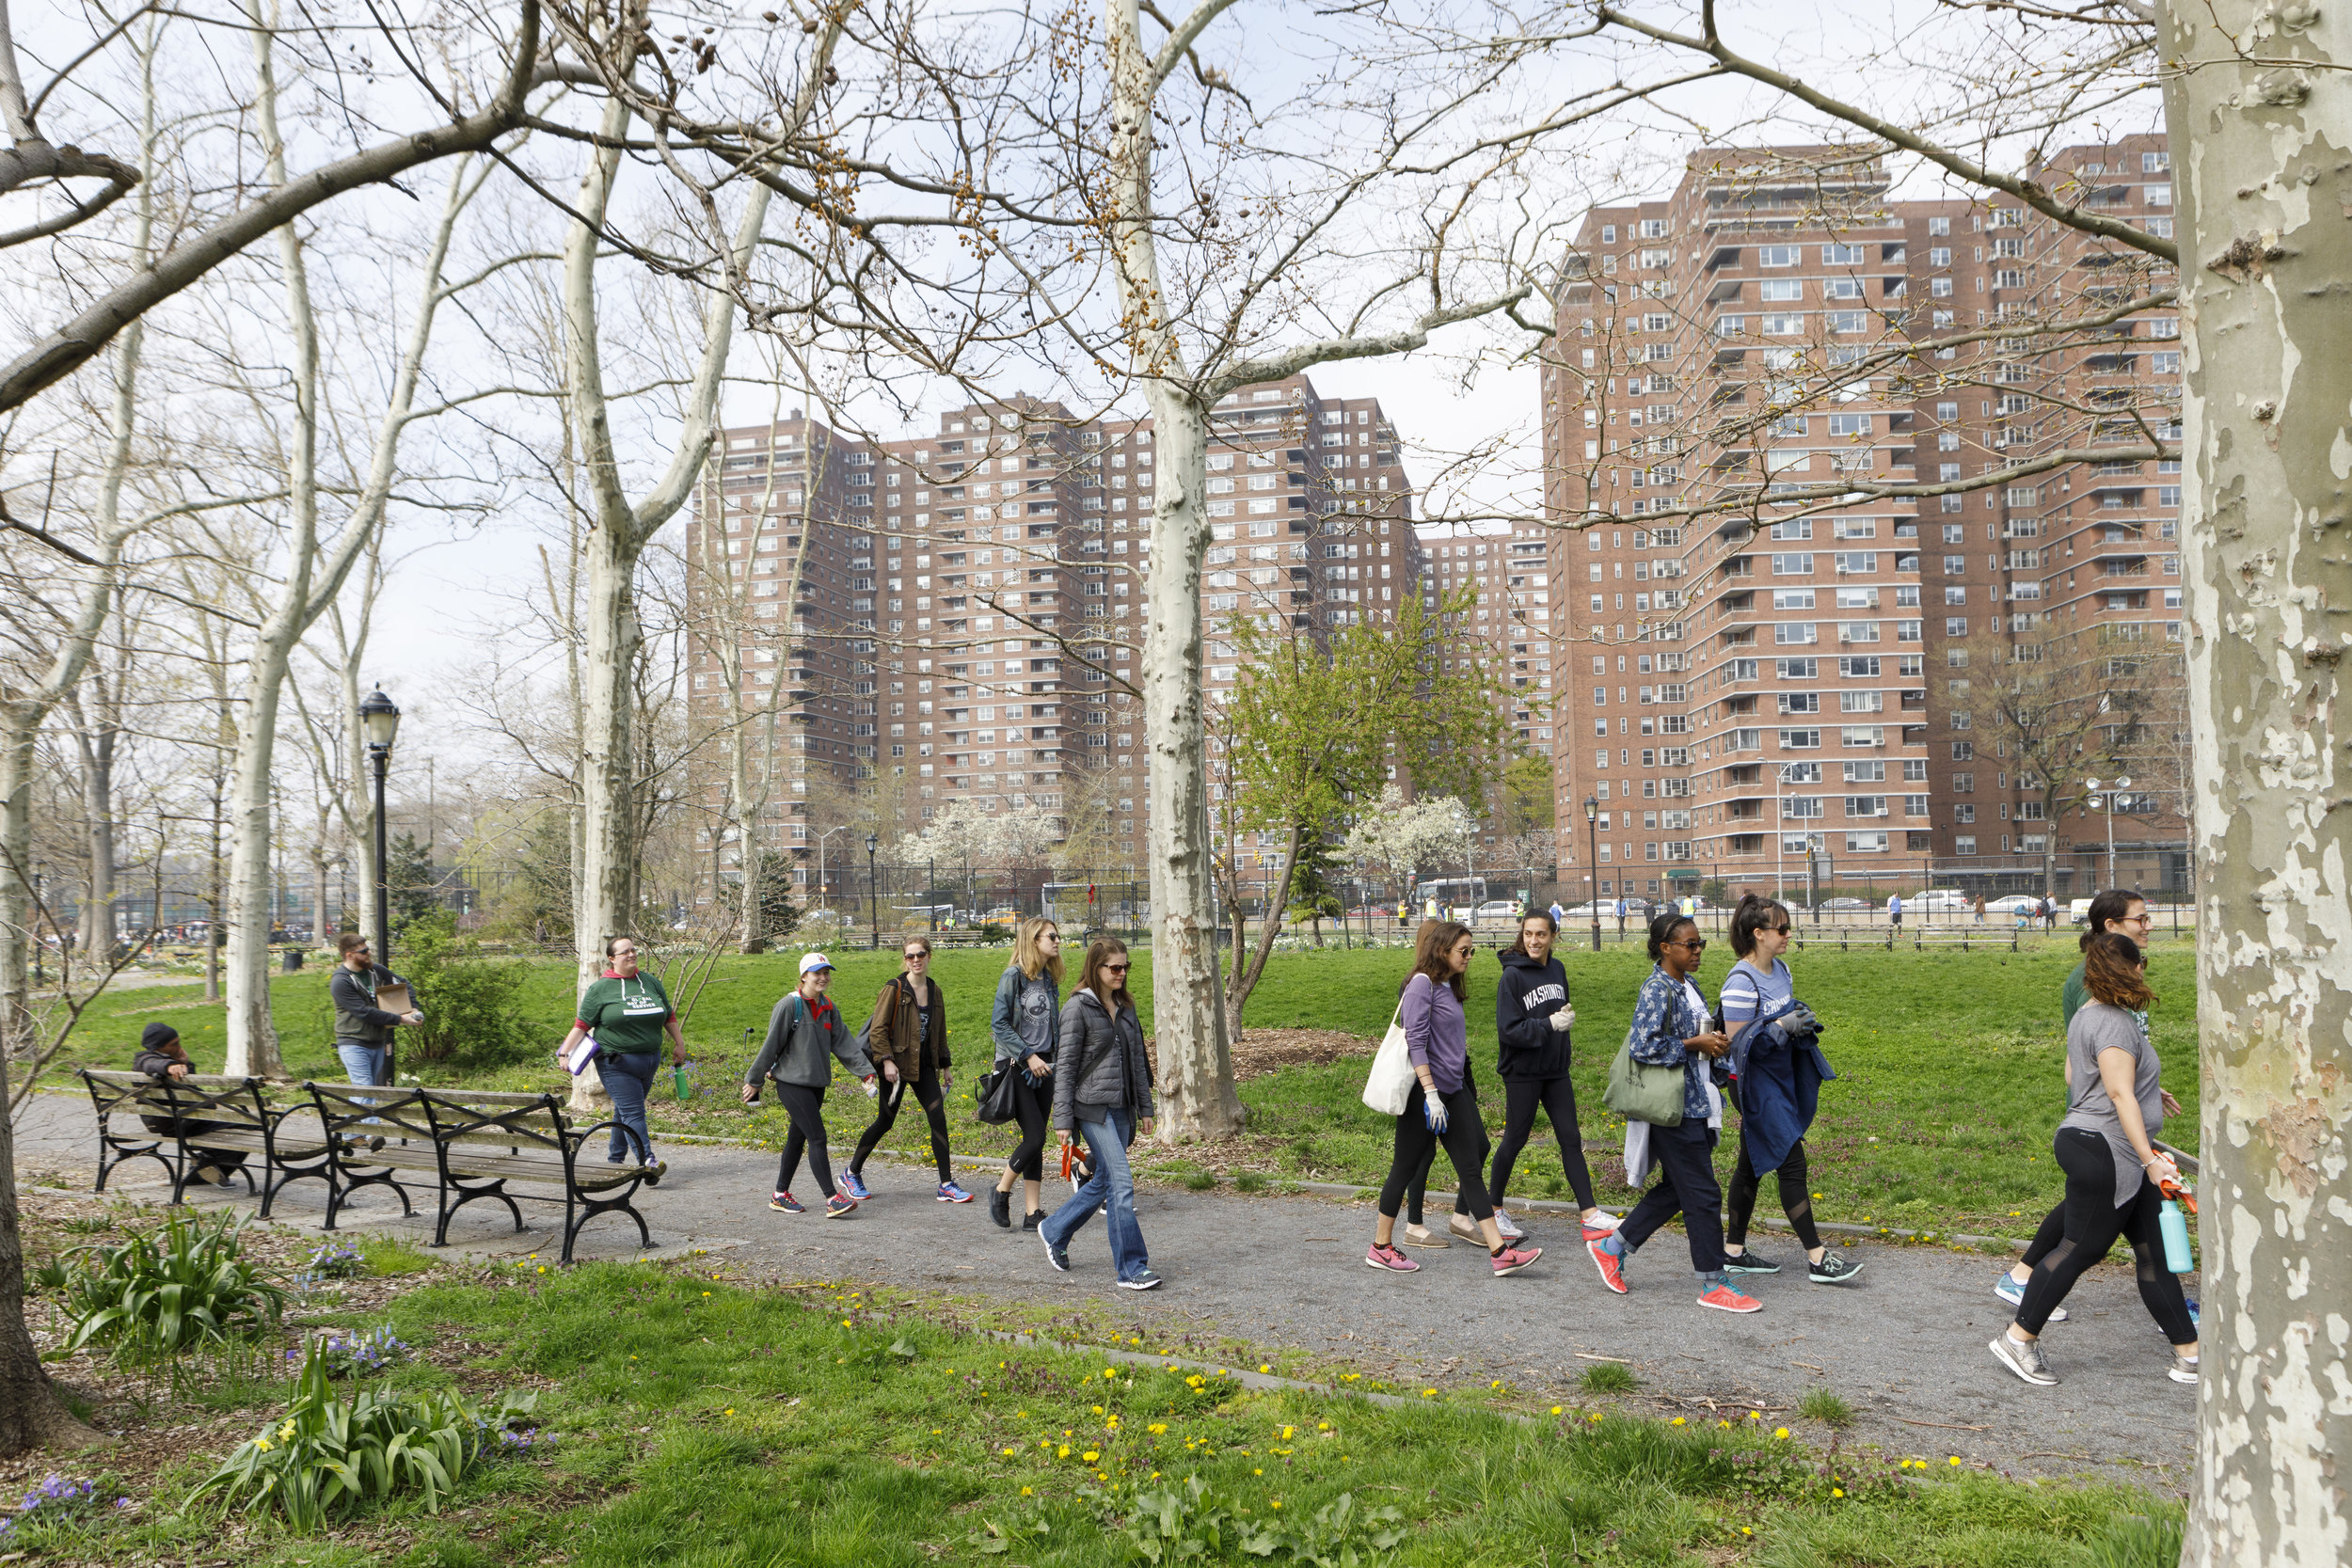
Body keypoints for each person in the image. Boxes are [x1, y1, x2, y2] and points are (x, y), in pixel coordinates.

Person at [1989, 934, 2199, 1386]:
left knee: (2153, 1254)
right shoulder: (2116, 1023)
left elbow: (2077, 1073)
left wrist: (2146, 1089)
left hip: (2097, 1140)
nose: (2145, 968)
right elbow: (2118, 1092)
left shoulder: (2087, 1015)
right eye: (2141, 960)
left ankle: (2191, 1355)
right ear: (2127, 969)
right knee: (2081, 1248)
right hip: (2108, 1148)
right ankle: (2017, 1339)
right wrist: (2150, 1160)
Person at [1587, 911, 1759, 1312]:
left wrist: (1714, 1043)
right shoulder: (1656, 989)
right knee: (1701, 1193)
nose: (1698, 950)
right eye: (1690, 944)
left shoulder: (1689, 985)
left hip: (1695, 1100)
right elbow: (1643, 1047)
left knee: (1680, 1188)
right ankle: (1712, 1283)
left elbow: (1697, 1036)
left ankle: (1613, 1246)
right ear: (1666, 948)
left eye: (1700, 943)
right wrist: (1694, 1044)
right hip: (1672, 1106)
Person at [1364, 922, 1544, 1277]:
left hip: (1453, 1090)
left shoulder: (1447, 986)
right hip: (1425, 1095)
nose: (1469, 956)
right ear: (1442, 950)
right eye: (1464, 950)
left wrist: (1451, 1087)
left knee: (1471, 1170)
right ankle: (1380, 1247)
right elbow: (1416, 1042)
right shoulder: (1421, 985)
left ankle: (1500, 1253)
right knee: (1403, 1168)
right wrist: (1430, 1094)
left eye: (1471, 950)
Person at [1716, 895, 1860, 1286]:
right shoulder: (1739, 984)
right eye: (1781, 929)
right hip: (1751, 1084)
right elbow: (1740, 1050)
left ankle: (1732, 1252)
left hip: (1779, 1078)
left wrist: (1801, 1017)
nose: (1788, 934)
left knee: (1750, 1165)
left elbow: (1783, 1011)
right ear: (1758, 934)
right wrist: (1782, 1027)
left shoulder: (1781, 969)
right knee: (1790, 1159)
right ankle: (1817, 1257)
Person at [1036, 938, 1159, 1287]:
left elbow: (1138, 1061)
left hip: (1121, 1107)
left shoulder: (1126, 1005)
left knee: (1104, 1179)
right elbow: (1067, 1066)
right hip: (1091, 1109)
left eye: (1126, 967)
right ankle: (1132, 1268)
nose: (1121, 973)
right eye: (1114, 967)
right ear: (1096, 968)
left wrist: (1145, 1108)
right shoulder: (1077, 1008)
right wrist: (1062, 1120)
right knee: (1121, 1182)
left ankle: (1054, 1229)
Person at [1490, 910, 1618, 1243]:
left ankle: (1589, 1214)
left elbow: (1557, 1012)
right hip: (1523, 1072)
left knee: (1570, 1138)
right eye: (1529, 934)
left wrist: (1563, 1022)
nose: (1534, 941)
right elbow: (1508, 1030)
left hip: (1555, 1070)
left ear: (1553, 936)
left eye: (1541, 935)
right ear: (1522, 934)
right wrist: (1549, 1025)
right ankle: (1493, 1211)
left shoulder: (1558, 968)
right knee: (1515, 1139)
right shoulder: (1512, 978)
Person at [741, 954, 884, 1218]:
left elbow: (844, 1044)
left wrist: (865, 1072)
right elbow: (770, 1046)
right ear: (804, 976)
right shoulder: (789, 1006)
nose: (823, 978)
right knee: (817, 1137)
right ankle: (832, 1198)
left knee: (797, 1138)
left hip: (817, 1084)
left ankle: (780, 1195)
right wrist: (754, 1080)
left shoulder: (828, 1007)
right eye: (817, 973)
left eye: (826, 973)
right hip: (791, 1083)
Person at [846, 936, 971, 1203]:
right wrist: (886, 1061)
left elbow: (939, 1033)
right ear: (904, 960)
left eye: (921, 954)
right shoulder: (894, 988)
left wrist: (945, 1065)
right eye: (911, 956)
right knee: (885, 1121)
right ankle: (851, 1172)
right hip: (896, 1065)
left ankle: (946, 1184)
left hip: (924, 1065)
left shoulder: (935, 990)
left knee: (938, 1117)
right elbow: (878, 1030)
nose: (916, 960)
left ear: (929, 956)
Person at [557, 935, 687, 1174]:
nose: (631, 955)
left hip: (649, 1060)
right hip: (615, 1062)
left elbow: (668, 1015)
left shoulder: (650, 982)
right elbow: (581, 1025)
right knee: (633, 1111)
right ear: (611, 959)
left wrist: (679, 1043)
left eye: (633, 950)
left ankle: (615, 1160)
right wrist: (564, 1053)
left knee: (624, 1111)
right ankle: (647, 1161)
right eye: (624, 952)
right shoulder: (601, 989)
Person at [989, 918, 1063, 1230]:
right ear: (1033, 940)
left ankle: (1032, 1213)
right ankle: (1000, 1191)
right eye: (1052, 936)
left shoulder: (1048, 979)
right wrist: (1028, 1055)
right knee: (1035, 1136)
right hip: (1017, 1066)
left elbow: (1051, 1027)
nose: (1058, 940)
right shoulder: (1013, 977)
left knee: (1035, 1141)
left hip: (1046, 1066)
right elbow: (999, 1023)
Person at [132, 1022, 246, 1187]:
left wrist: (185, 1063)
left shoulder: (162, 1061)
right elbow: (150, 1064)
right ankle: (202, 1165)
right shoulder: (146, 1060)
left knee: (243, 1124)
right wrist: (169, 1065)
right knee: (251, 1126)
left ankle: (204, 1164)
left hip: (174, 1120)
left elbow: (189, 1089)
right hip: (181, 1122)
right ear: (159, 1046)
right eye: (174, 1044)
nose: (179, 1047)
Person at [330, 932, 421, 1106]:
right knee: (365, 1089)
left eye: (368, 949)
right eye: (363, 951)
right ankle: (373, 1133)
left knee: (364, 1090)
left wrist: (413, 1008)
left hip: (377, 1041)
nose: (368, 953)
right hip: (353, 1042)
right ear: (350, 955)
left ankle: (351, 1133)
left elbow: (404, 984)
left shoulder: (375, 971)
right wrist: (402, 1019)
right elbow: (365, 1013)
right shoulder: (341, 981)